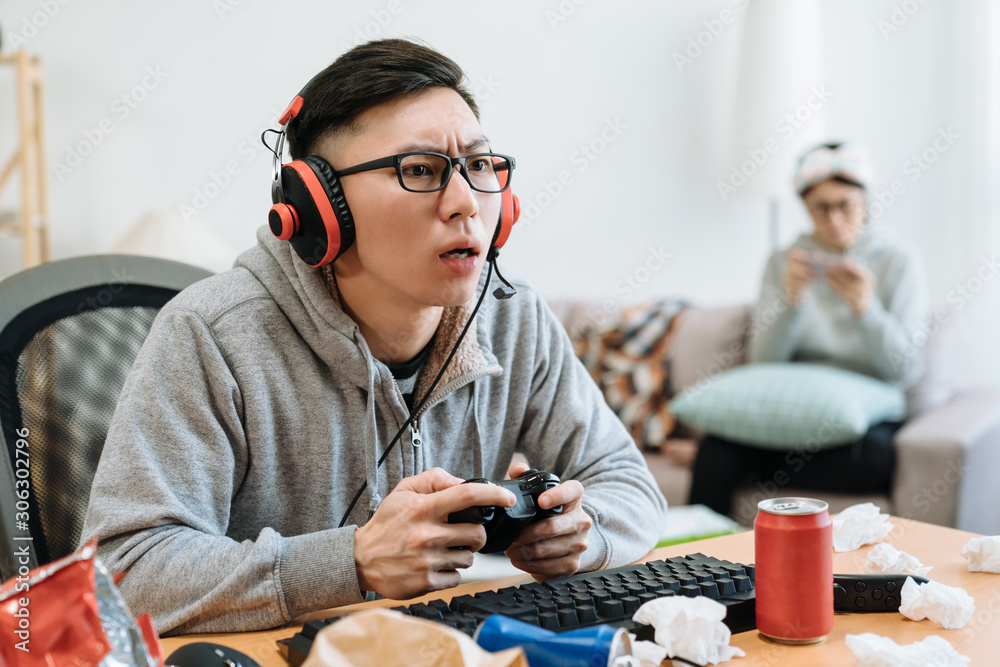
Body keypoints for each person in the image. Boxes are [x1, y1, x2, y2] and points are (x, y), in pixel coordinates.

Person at [79, 39, 667, 635]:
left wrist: (583, 534)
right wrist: (351, 560)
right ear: (318, 209)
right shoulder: (211, 336)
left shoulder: (512, 317)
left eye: (481, 166)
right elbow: (121, 577)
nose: (466, 203)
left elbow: (629, 484)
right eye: (419, 170)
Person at [688, 142, 926, 518]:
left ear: (865, 200)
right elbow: (765, 360)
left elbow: (905, 368)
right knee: (715, 452)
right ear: (805, 208)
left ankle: (759, 470)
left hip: (862, 420)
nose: (834, 219)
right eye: (821, 207)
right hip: (796, 410)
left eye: (845, 204)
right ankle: (696, 567)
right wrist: (791, 302)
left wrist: (866, 309)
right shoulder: (784, 261)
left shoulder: (898, 260)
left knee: (876, 458)